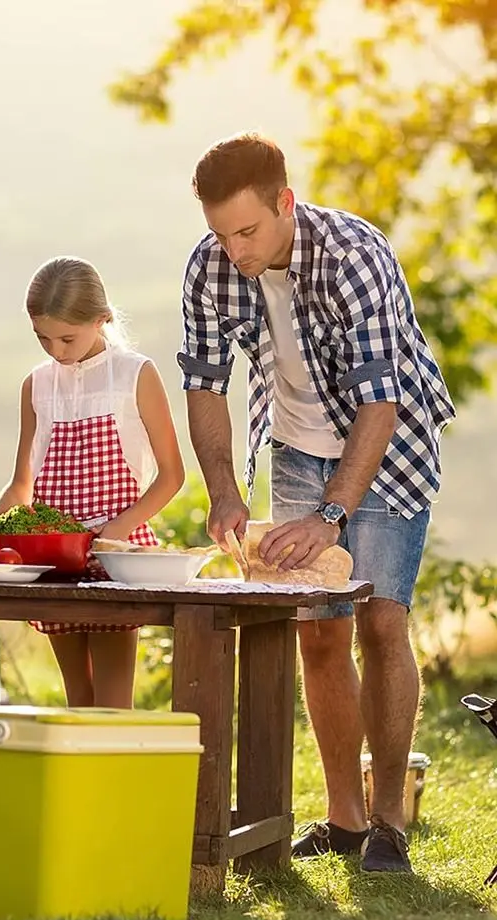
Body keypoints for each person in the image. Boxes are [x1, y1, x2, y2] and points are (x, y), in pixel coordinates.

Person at [178, 131, 456, 873]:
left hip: (386, 441)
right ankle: (344, 819)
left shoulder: (354, 256)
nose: (235, 249)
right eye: (221, 233)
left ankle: (390, 821)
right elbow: (204, 385)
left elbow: (379, 405)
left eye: (249, 230)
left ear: (285, 203)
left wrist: (329, 517)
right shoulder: (209, 268)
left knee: (380, 619)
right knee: (318, 632)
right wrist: (225, 494)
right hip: (297, 445)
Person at [0, 256, 185, 709]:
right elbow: (22, 486)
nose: (56, 350)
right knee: (78, 696)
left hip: (115, 559)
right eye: (43, 338)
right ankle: (80, 780)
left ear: (102, 319)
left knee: (113, 702)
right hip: (55, 560)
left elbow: (171, 475)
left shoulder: (135, 375)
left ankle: (115, 780)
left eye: (67, 338)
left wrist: (115, 531)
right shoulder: (36, 386)